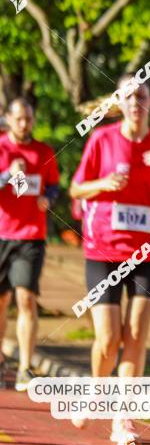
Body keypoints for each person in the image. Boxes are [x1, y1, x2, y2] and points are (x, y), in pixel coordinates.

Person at [69, 75, 150, 445]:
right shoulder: (102, 139)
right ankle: (96, 392)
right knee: (108, 337)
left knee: (136, 334)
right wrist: (104, 184)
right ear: (120, 102)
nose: (136, 102)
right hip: (103, 251)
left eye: (142, 96)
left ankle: (124, 416)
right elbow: (75, 188)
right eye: (129, 97)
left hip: (147, 252)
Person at [0, 98, 60, 391]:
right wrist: (7, 175)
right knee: (1, 302)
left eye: (28, 119)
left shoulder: (44, 151)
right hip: (1, 234)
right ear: (8, 119)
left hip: (31, 236)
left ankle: (25, 367)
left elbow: (54, 185)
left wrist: (49, 197)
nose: (24, 124)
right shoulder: (1, 148)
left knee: (25, 299)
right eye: (19, 119)